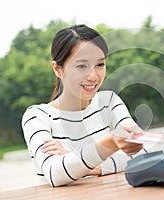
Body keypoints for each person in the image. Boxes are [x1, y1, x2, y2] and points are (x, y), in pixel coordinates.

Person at [21, 24, 149, 187]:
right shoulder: (37, 116)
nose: (93, 76)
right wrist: (112, 143)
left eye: (100, 64)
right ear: (57, 69)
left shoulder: (108, 102)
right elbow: (55, 173)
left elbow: (143, 152)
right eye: (81, 66)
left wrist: (82, 165)